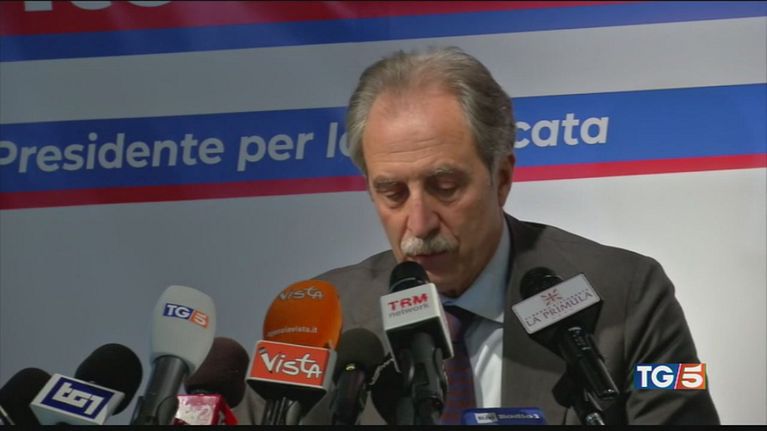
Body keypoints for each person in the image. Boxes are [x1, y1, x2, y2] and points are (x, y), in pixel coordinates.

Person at [234, 46, 719, 425]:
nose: (419, 224)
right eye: (392, 193)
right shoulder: (318, 322)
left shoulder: (630, 296)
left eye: (445, 187)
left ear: (501, 178)